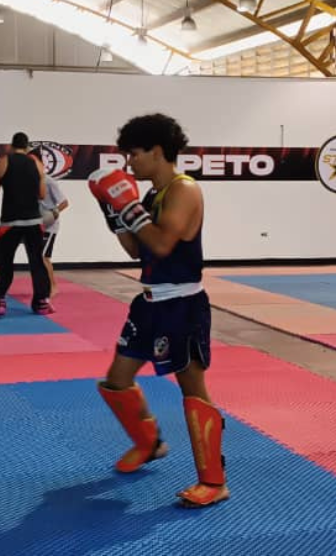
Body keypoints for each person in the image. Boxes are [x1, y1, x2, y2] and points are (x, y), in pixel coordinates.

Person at [87, 113, 229, 508]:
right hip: (149, 302)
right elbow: (138, 250)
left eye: (134, 154)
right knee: (116, 380)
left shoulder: (184, 191)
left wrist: (126, 205)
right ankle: (149, 444)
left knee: (193, 391)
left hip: (182, 304)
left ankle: (214, 481)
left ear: (157, 151)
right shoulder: (151, 195)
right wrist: (114, 214)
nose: (129, 163)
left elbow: (164, 244)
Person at [0, 132, 53, 318]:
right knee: (38, 262)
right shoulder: (37, 164)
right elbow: (42, 194)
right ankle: (42, 302)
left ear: (11, 145)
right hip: (34, 221)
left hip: (11, 222)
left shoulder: (3, 162)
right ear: (27, 146)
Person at [39, 174, 69, 298]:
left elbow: (64, 203)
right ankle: (42, 286)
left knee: (44, 257)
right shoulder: (29, 179)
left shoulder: (49, 182)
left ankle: (53, 287)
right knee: (37, 257)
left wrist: (51, 215)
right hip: (36, 223)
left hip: (49, 226)